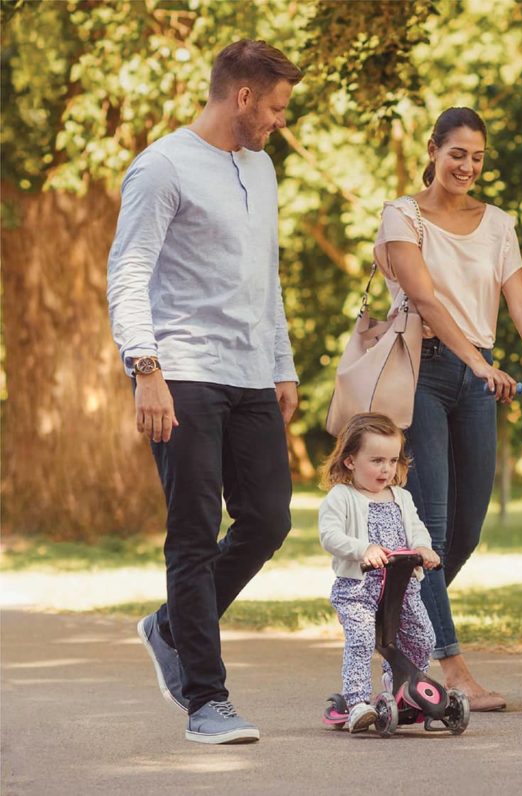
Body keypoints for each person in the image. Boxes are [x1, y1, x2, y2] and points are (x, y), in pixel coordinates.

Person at [106, 40, 303, 744]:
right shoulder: (162, 167)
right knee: (193, 527)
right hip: (182, 369)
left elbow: (265, 275)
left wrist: (282, 364)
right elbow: (128, 272)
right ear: (243, 97)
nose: (282, 120)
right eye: (277, 107)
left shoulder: (262, 166)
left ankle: (171, 626)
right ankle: (206, 700)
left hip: (251, 370)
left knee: (269, 519)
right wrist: (145, 369)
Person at [372, 107, 522, 710]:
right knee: (430, 525)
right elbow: (424, 299)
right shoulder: (401, 216)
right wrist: (478, 363)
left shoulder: (498, 224)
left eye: (478, 157)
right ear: (432, 150)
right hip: (424, 368)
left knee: (466, 528)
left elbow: (518, 297)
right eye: (456, 152)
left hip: (479, 376)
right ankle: (451, 665)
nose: (467, 166)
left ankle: (392, 627)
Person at [318, 413, 441, 733]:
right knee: (360, 638)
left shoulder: (402, 496)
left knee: (423, 636)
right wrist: (363, 549)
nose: (386, 469)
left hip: (402, 586)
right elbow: (329, 536)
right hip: (358, 587)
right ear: (349, 461)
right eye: (376, 460)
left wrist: (424, 549)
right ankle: (357, 701)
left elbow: (417, 531)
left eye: (392, 460)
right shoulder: (342, 497)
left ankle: (403, 687)